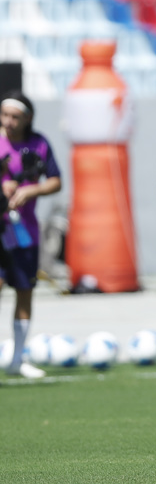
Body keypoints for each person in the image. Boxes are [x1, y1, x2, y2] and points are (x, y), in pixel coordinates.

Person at [0, 90, 62, 379]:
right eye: (4, 115)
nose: (9, 122)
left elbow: (55, 180)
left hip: (25, 232)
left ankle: (17, 358)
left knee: (24, 290)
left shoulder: (39, 143)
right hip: (1, 231)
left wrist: (30, 190)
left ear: (28, 118)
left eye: (15, 117)